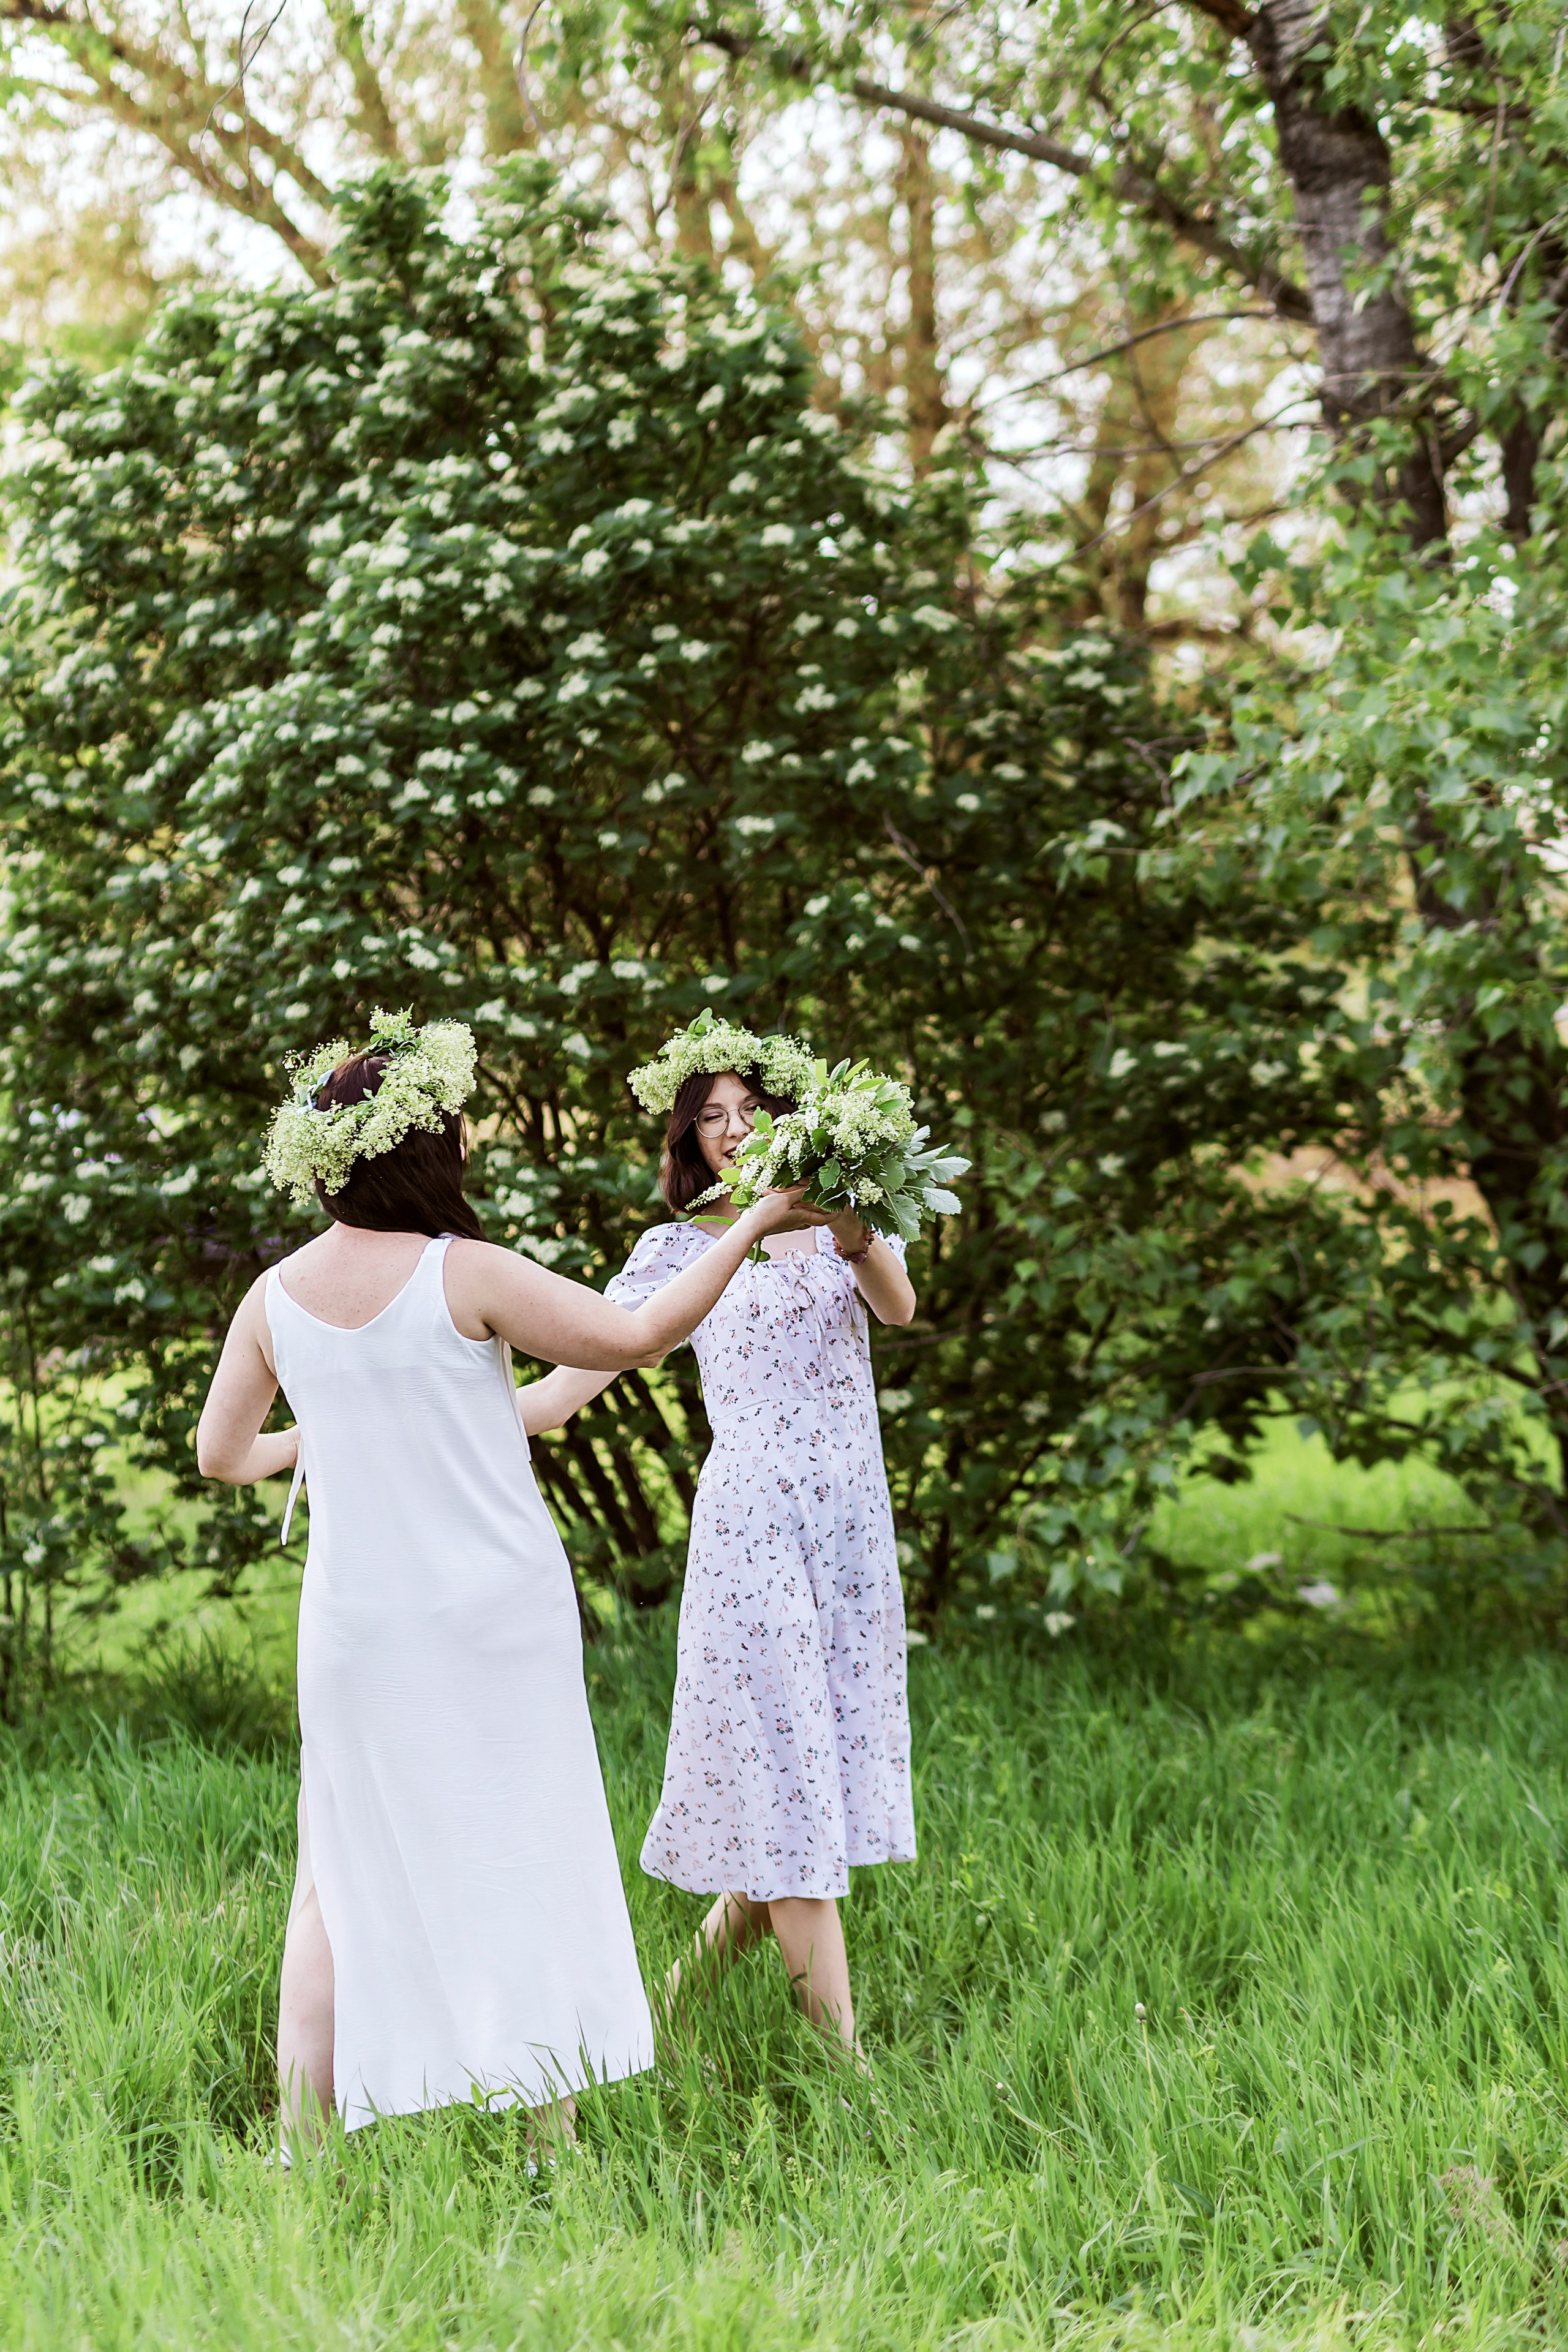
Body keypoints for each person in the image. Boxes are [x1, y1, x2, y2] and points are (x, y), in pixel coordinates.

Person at [195, 1009, 807, 2157]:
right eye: (460, 1129)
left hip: (354, 1636)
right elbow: (633, 1336)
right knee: (524, 1853)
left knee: (331, 1882)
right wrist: (760, 1220)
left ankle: (300, 2146)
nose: (470, 1144)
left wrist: (328, 1438)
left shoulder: (272, 1298)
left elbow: (222, 1456)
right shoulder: (461, 1271)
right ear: (424, 1149)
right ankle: (546, 2144)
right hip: (491, 1622)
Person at [521, 1017, 918, 2063]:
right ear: (686, 1138)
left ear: (788, 1116)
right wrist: (426, 1413)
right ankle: (850, 2075)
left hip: (849, 1534)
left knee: (795, 1793)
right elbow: (567, 1392)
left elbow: (901, 1305)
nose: (734, 1132)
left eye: (751, 1111)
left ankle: (651, 2022)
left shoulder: (849, 1221)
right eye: (710, 1118)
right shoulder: (674, 1248)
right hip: (753, 1536)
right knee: (788, 1798)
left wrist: (845, 1225)